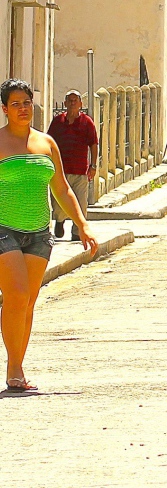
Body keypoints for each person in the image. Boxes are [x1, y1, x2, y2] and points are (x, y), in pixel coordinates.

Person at [0, 79, 98, 391]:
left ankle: (17, 363)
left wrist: (82, 223)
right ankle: (14, 367)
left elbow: (62, 188)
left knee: (28, 301)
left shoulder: (47, 143)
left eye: (26, 103)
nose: (22, 109)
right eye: (15, 104)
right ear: (4, 109)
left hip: (39, 234)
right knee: (15, 295)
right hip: (4, 230)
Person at [46, 89, 98, 241]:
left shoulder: (87, 122)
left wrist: (93, 165)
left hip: (80, 169)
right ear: (65, 103)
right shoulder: (57, 122)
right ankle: (60, 221)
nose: (72, 103)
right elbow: (49, 142)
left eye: (75, 100)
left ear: (81, 104)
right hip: (60, 170)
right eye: (69, 100)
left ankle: (77, 231)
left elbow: (93, 144)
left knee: (81, 202)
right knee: (58, 201)